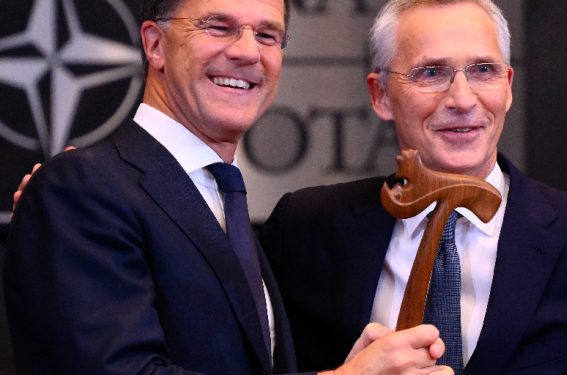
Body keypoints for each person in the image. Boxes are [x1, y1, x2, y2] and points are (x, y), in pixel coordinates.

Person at [2, 0, 452, 373]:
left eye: (268, 35)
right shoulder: (81, 187)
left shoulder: (222, 200)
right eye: (219, 27)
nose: (247, 52)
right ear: (155, 45)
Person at [259, 0, 567, 374]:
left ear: (507, 86)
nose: (462, 99)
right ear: (380, 95)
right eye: (431, 72)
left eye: (483, 71)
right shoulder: (304, 229)